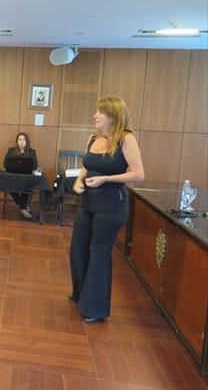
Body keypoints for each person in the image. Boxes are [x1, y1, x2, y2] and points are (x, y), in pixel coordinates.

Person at [70, 96, 144, 324]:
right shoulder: (93, 138)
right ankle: (81, 294)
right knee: (78, 247)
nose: (95, 115)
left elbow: (138, 174)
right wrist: (79, 181)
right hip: (89, 204)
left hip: (111, 206)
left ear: (112, 115)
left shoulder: (126, 138)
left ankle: (95, 308)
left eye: (99, 112)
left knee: (99, 251)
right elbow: (86, 167)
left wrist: (106, 179)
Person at [3, 132, 39, 219]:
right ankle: (24, 206)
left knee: (26, 184)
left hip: (26, 178)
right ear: (17, 141)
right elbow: (5, 163)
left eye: (24, 140)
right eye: (20, 139)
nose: (22, 141)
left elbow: (35, 166)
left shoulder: (31, 152)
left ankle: (23, 208)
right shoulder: (11, 151)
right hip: (13, 177)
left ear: (27, 142)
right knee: (7, 184)